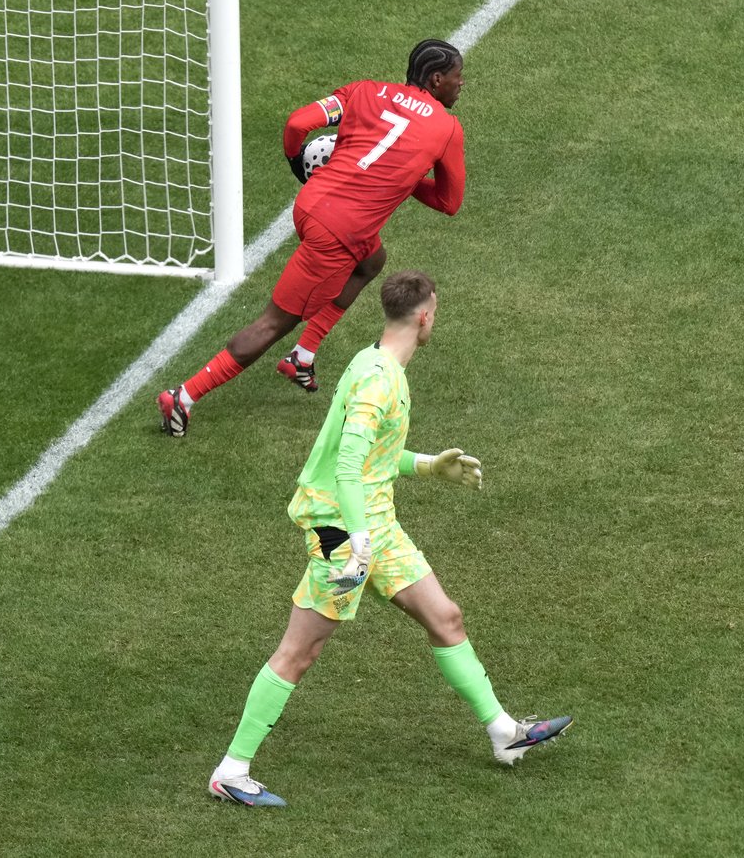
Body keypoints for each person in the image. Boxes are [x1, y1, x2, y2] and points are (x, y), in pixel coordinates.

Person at [206, 270, 572, 807]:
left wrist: (428, 465)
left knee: (445, 617)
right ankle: (231, 771)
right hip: (343, 530)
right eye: (436, 314)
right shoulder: (378, 382)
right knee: (299, 651)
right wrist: (357, 542)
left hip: (373, 523)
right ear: (424, 316)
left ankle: (503, 732)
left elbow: (371, 457)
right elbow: (347, 468)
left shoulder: (373, 361)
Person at [157, 39, 468, 437]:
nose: (461, 84)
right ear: (437, 79)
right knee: (274, 323)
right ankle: (183, 396)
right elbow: (448, 202)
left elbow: (297, 125)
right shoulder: (447, 128)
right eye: (458, 77)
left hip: (311, 204)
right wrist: (402, 176)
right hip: (339, 232)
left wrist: (295, 159)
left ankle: (302, 356)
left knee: (371, 261)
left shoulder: (363, 91)